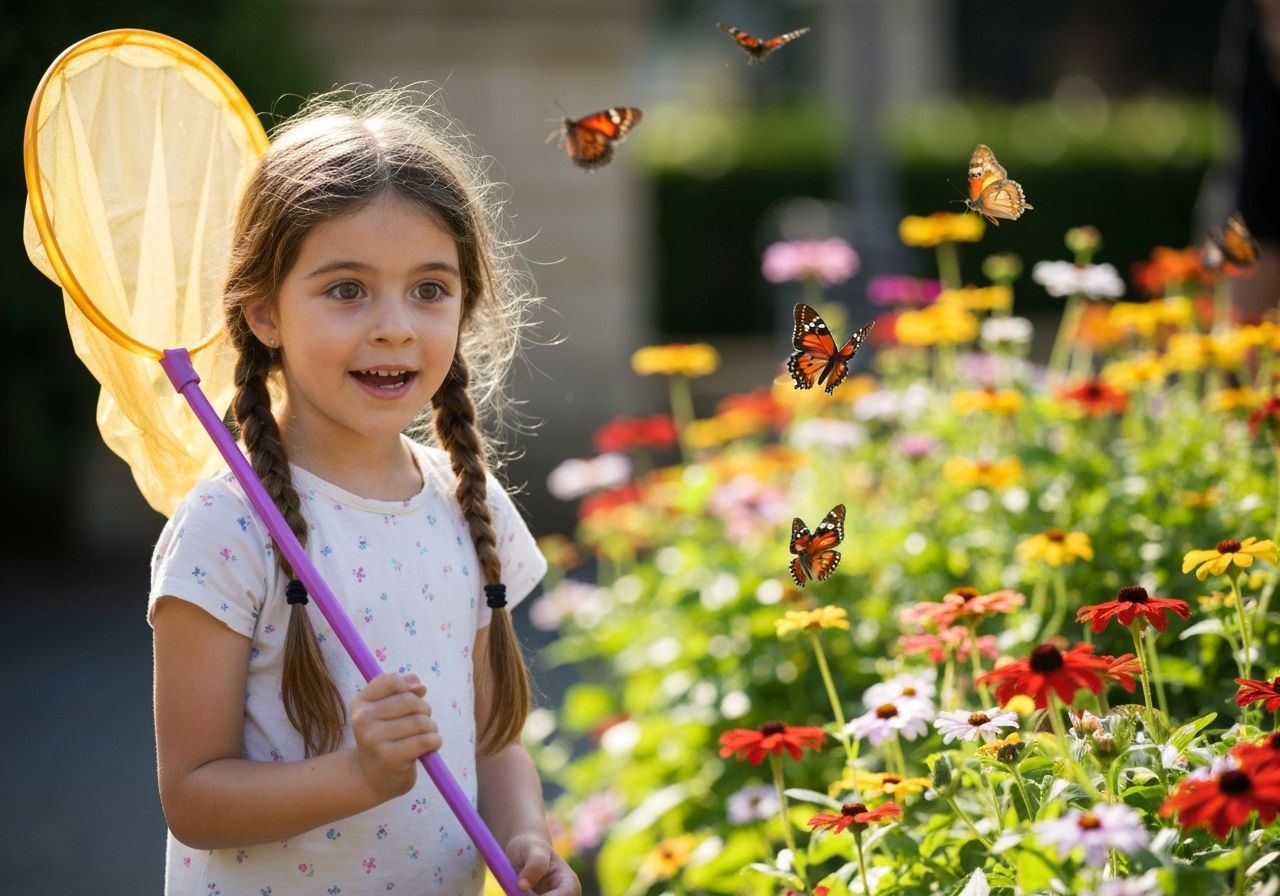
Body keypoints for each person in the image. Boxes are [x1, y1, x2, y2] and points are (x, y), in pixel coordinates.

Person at [148, 87, 579, 895]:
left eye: (430, 289)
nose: (395, 326)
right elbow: (194, 797)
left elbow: (491, 741)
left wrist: (528, 843)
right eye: (347, 289)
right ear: (264, 312)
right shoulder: (228, 528)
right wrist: (359, 774)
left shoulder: (467, 503)